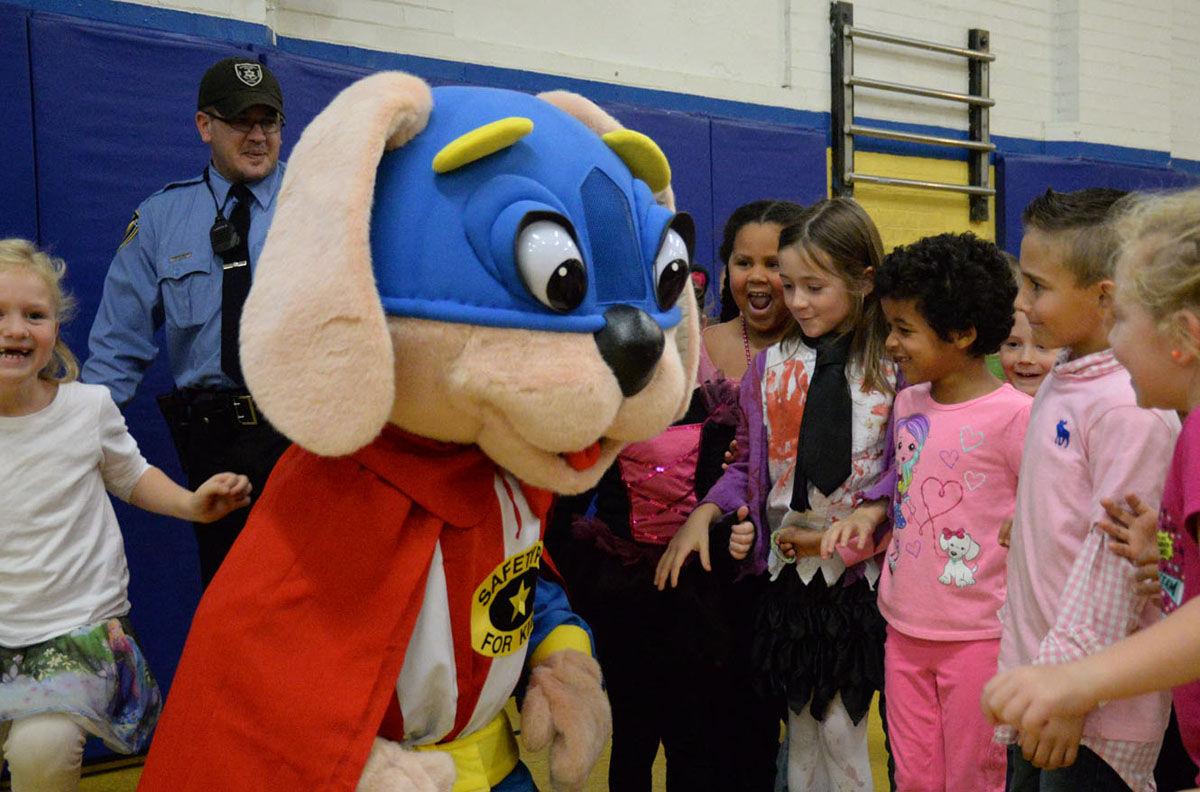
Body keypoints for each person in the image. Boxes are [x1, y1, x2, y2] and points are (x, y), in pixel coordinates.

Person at [657, 197, 895, 792]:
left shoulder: (893, 364)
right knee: (803, 729)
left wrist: (872, 511)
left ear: (864, 282)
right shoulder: (770, 368)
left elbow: (907, 463)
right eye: (791, 287)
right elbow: (754, 464)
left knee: (845, 730)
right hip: (790, 580)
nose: (796, 302)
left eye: (813, 287)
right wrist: (705, 511)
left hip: (858, 581)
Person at [0, 239, 251, 792]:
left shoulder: (86, 408)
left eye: (34, 315)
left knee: (41, 750)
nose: (16, 329)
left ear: (55, 330)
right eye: (0, 315)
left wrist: (190, 503)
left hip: (75, 629)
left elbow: (131, 475)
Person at [982, 187, 1200, 788]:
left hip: (1090, 709)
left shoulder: (1131, 409)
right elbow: (1170, 559)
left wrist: (1070, 689)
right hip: (1052, 681)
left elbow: (1113, 579)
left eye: (1037, 286)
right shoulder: (1069, 376)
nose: (1021, 304)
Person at [823, 232, 1031, 792]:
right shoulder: (910, 402)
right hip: (904, 627)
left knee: (972, 778)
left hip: (979, 638)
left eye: (904, 330)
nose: (890, 343)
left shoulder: (1017, 418)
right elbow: (907, 494)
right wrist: (868, 517)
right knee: (913, 778)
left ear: (962, 334)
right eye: (888, 326)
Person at [82, 57, 290, 587]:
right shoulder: (159, 219)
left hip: (306, 431)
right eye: (243, 121)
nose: (258, 135)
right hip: (215, 441)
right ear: (205, 126)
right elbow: (117, 349)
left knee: (315, 598)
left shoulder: (320, 200)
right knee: (232, 597)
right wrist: (72, 436)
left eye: (269, 122)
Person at [703, 201, 805, 382]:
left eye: (773, 264)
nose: (757, 276)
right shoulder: (698, 350)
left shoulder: (824, 352)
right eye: (744, 263)